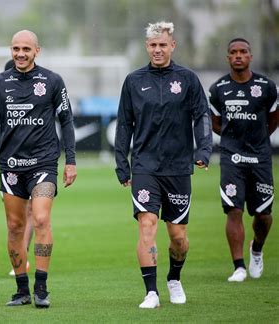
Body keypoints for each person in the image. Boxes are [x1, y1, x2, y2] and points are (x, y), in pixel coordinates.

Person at [115, 21, 212, 308]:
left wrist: (204, 150)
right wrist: (122, 162)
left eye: (162, 45)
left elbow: (202, 116)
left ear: (172, 46)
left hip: (178, 167)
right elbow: (124, 124)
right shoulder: (133, 81)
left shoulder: (188, 79)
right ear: (147, 47)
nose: (157, 49)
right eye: (153, 45)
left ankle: (174, 278)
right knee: (147, 224)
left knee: (178, 237)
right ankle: (151, 292)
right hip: (144, 166)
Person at [0, 30, 77, 308]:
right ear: (11, 50)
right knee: (14, 226)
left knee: (42, 219)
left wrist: (70, 160)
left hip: (43, 163)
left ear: (37, 51)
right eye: (15, 49)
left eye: (25, 49)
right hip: (10, 165)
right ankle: (21, 290)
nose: (20, 54)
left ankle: (41, 287)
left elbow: (66, 120)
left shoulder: (52, 81)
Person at [208, 38, 278, 282]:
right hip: (231, 158)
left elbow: (273, 118)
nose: (238, 55)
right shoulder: (218, 89)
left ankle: (256, 249)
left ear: (251, 55)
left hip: (260, 157)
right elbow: (216, 123)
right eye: (233, 52)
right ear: (228, 57)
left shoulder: (267, 86)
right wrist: (232, 141)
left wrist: (257, 139)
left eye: (243, 52)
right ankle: (238, 266)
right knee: (234, 210)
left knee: (263, 214)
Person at [2, 59, 33, 277]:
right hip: (10, 166)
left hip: (36, 163)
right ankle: (20, 253)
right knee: (15, 219)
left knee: (33, 212)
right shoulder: (0, 100)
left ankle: (26, 254)